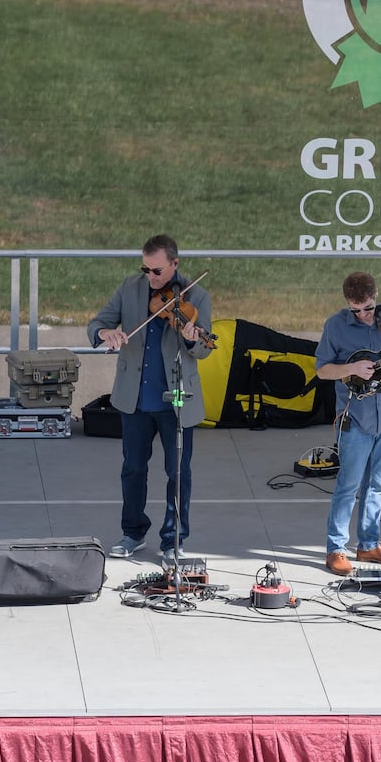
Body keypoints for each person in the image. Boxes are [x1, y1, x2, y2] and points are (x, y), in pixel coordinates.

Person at [87, 234, 214, 560]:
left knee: (178, 472)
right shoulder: (129, 288)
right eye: (146, 269)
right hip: (136, 398)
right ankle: (132, 533)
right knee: (132, 468)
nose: (151, 277)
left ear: (175, 264)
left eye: (157, 270)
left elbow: (204, 349)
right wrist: (106, 333)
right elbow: (97, 323)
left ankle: (174, 539)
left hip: (176, 399)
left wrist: (190, 339)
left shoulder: (196, 296)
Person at [314, 272, 381, 577]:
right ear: (347, 303)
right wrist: (350, 368)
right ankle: (335, 549)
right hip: (355, 418)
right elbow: (322, 370)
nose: (363, 315)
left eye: (368, 307)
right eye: (356, 309)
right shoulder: (336, 325)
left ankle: (369, 544)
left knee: (377, 484)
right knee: (348, 485)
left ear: (377, 297)